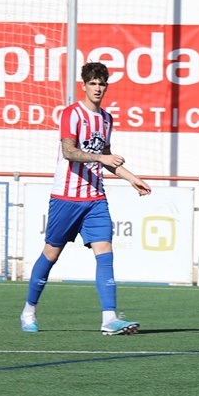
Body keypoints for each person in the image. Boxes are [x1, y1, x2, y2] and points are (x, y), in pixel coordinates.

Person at [20, 61, 152, 335]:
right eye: (92, 83)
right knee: (50, 253)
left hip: (95, 198)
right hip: (66, 197)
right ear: (84, 85)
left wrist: (131, 178)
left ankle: (109, 319)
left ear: (106, 86)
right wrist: (101, 157)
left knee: (105, 253)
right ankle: (29, 310)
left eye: (102, 83)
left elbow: (107, 158)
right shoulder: (71, 114)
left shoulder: (106, 119)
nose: (98, 88)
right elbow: (69, 152)